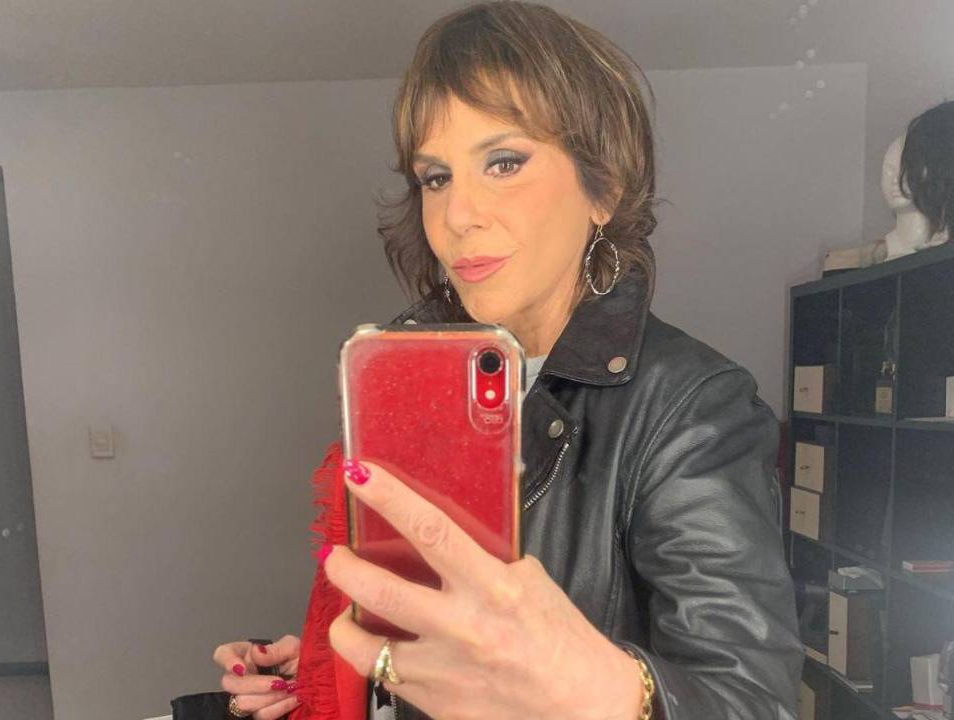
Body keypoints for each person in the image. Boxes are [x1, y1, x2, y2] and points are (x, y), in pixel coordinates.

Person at [212, 2, 804, 718]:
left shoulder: (694, 409)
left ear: (604, 189)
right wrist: (334, 670)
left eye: (504, 162)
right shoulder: (419, 383)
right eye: (436, 177)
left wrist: (610, 690)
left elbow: (752, 701)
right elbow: (431, 633)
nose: (458, 215)